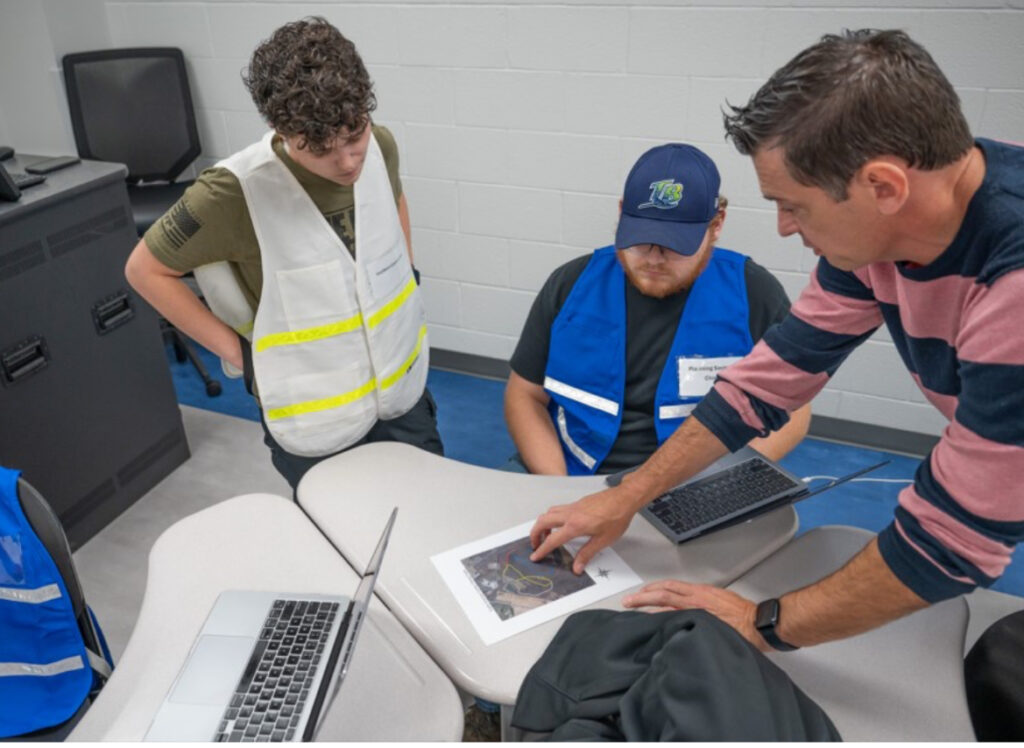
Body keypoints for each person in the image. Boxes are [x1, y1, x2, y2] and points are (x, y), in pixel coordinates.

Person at [528, 29, 1024, 657]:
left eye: (795, 208)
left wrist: (760, 622)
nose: (786, 230)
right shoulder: (878, 233)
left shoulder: (1013, 285)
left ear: (884, 187)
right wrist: (626, 498)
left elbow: (953, 541)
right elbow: (765, 384)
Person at [125, 18, 442, 491]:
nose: (349, 161)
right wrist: (242, 357)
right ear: (280, 129)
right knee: (344, 546)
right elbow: (144, 270)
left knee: (429, 510)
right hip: (317, 424)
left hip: (402, 394)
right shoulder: (233, 192)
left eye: (354, 137)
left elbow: (393, 198)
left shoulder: (381, 146)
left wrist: (406, 274)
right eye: (321, 148)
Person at [505, 143, 810, 476]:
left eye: (673, 246)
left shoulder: (753, 293)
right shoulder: (571, 284)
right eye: (640, 240)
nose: (652, 259)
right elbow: (525, 395)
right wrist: (557, 488)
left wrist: (720, 484)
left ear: (716, 225)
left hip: (695, 481)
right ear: (622, 214)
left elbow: (794, 413)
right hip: (574, 473)